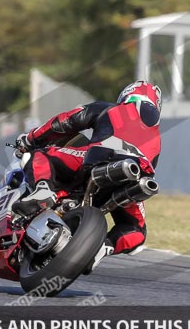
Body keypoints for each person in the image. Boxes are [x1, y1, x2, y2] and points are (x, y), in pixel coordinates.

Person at [12, 80, 162, 270]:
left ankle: (43, 190)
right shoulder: (156, 137)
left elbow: (66, 121)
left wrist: (31, 138)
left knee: (40, 155)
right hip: (132, 182)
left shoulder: (110, 109)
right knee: (137, 232)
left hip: (100, 158)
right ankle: (101, 249)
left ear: (126, 95)